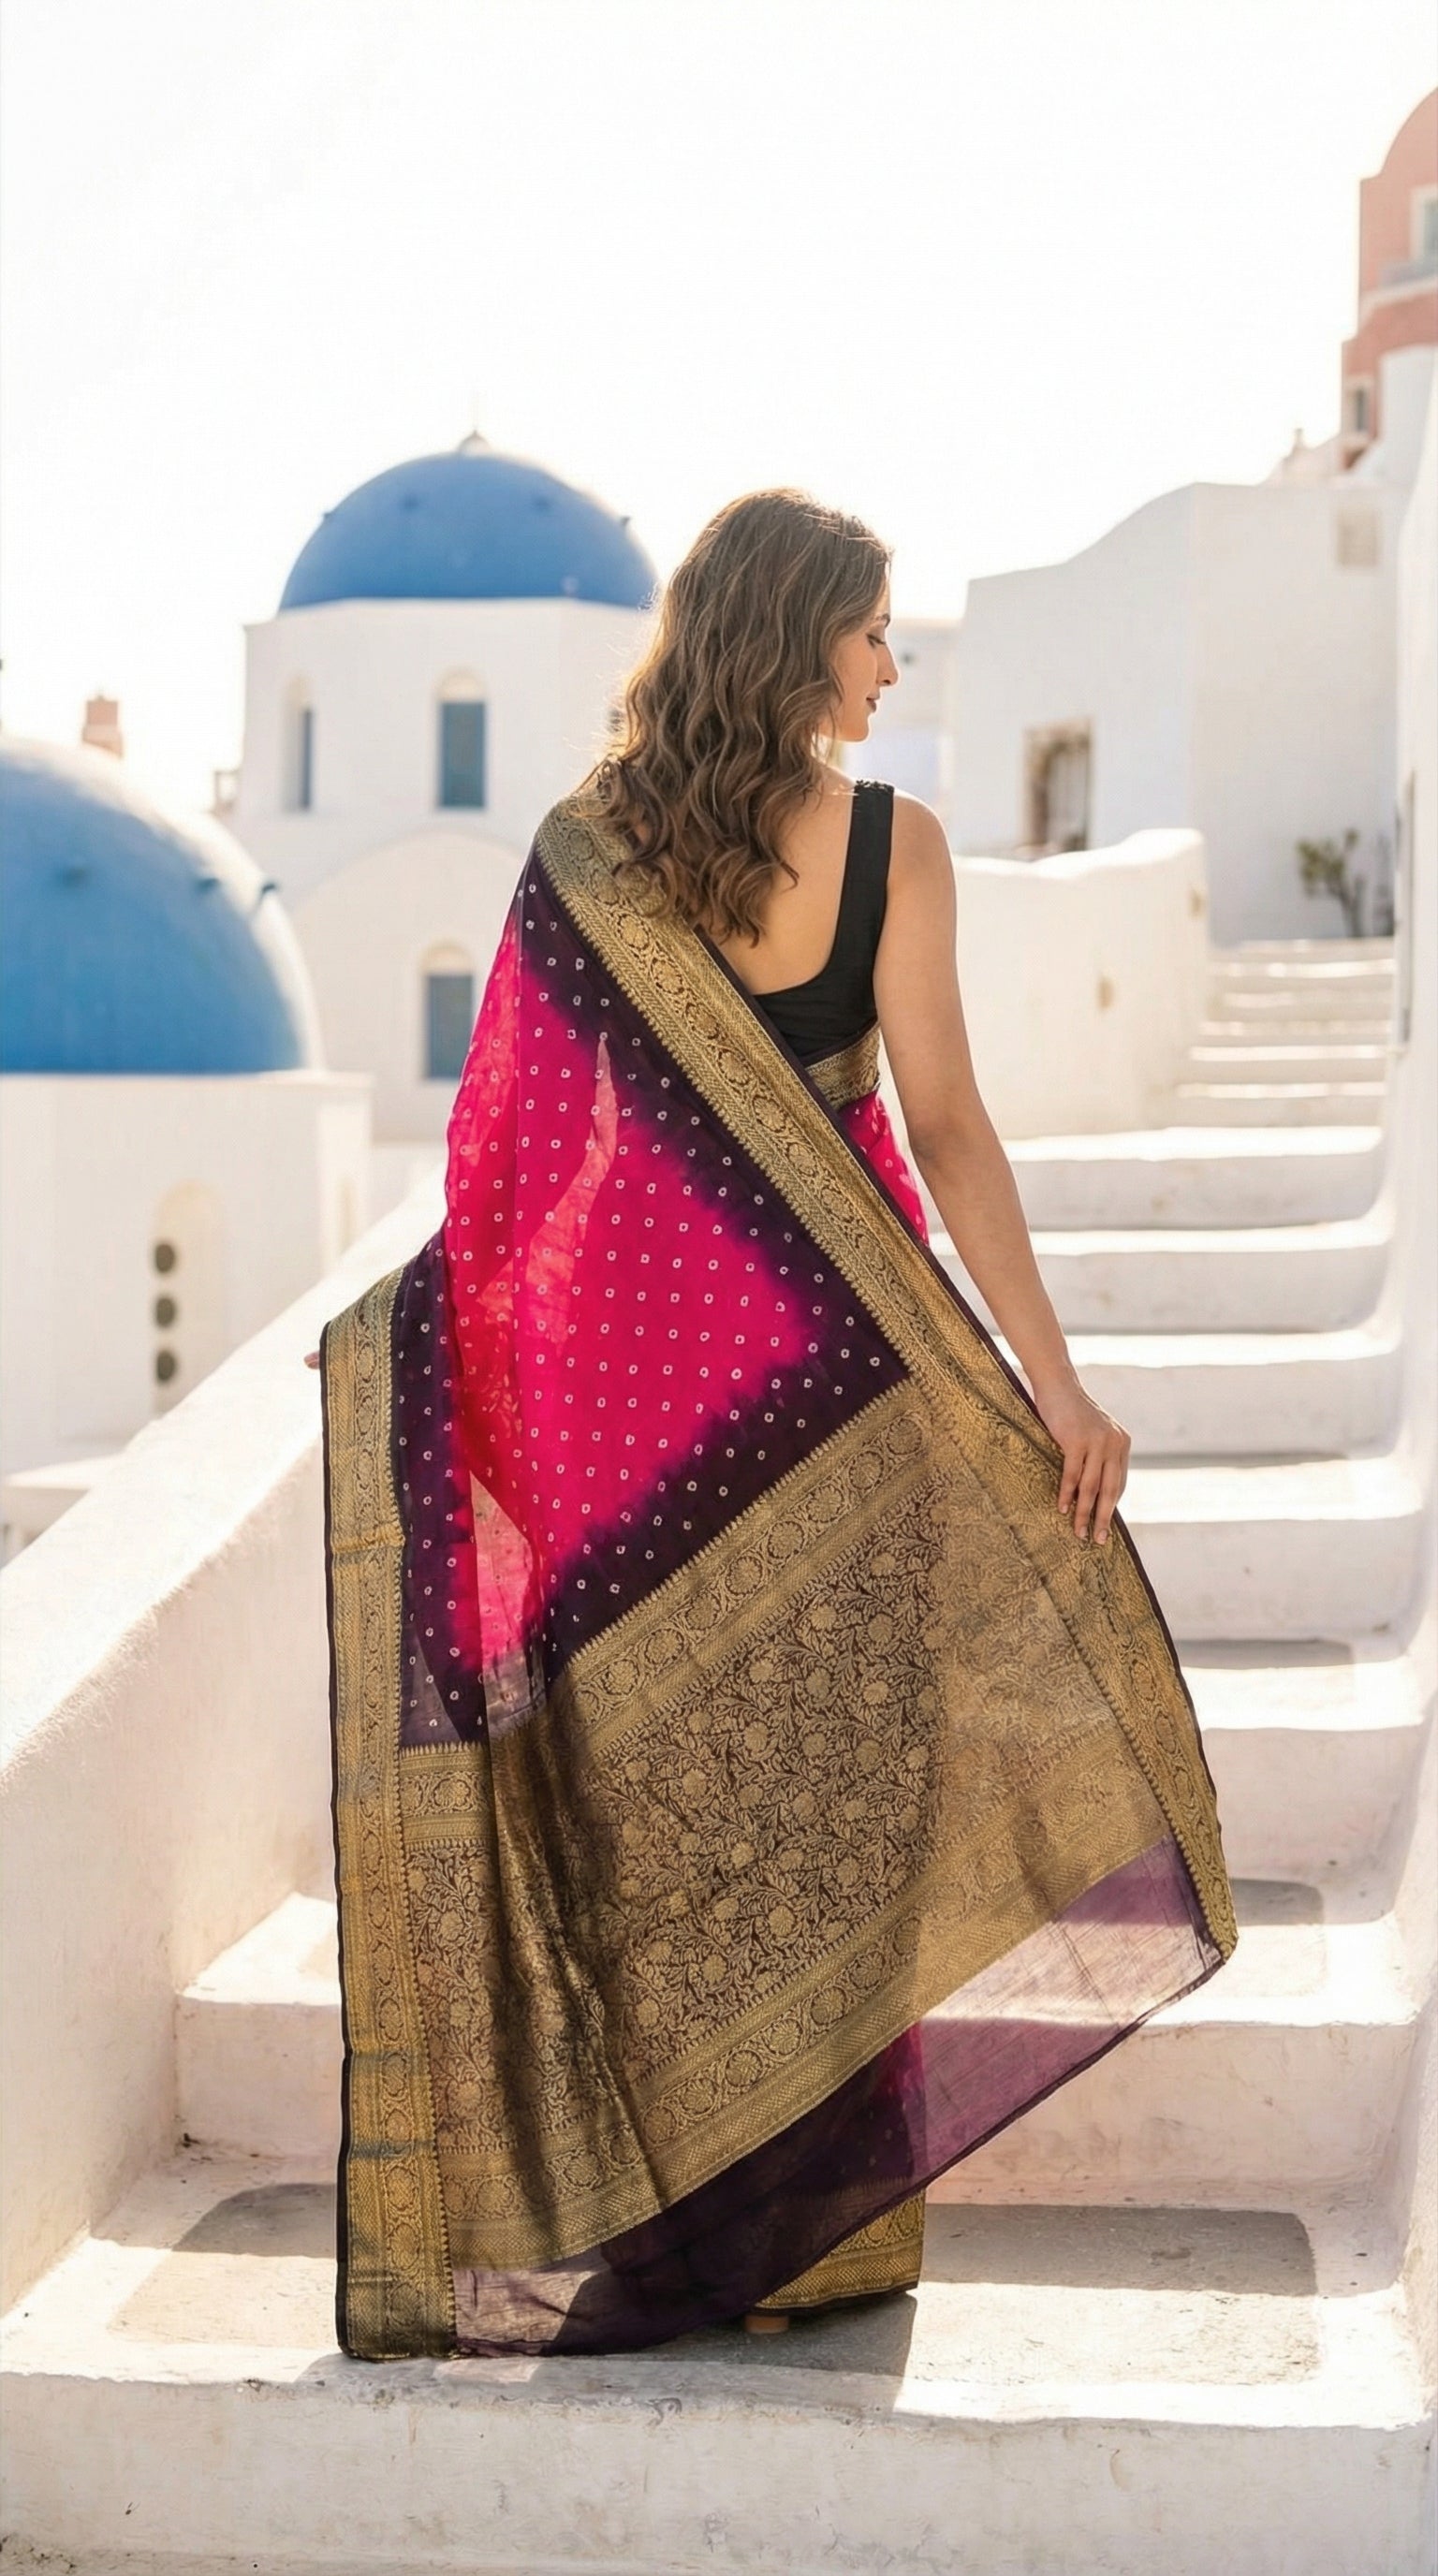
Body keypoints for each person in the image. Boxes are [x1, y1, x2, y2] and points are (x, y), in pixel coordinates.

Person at [318, 490, 1235, 2363]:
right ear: (799, 628)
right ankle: (805, 2237)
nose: (893, 662)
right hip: (856, 1399)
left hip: (644, 1430)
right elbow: (952, 1125)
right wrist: (1048, 1381)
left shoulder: (586, 850)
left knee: (670, 1827)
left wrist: (436, 1369)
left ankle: (690, 2236)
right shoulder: (892, 847)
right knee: (845, 1814)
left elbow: (512, 1175)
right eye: (876, 626)